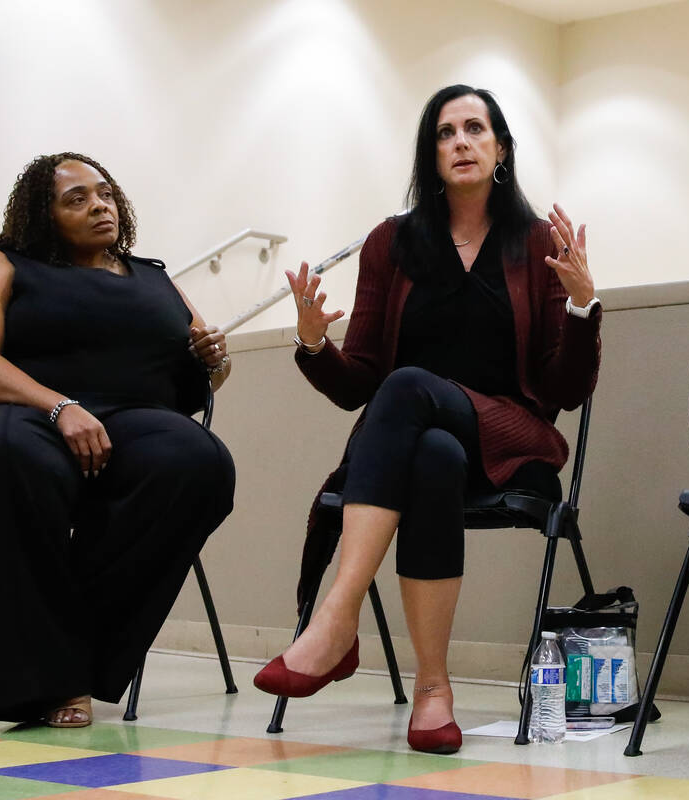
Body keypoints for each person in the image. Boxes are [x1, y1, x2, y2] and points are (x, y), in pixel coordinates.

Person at [252, 84, 601, 755]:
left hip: (510, 437)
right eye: (445, 132)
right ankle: (434, 691)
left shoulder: (535, 243)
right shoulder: (393, 243)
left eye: (476, 129)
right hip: (414, 446)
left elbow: (565, 386)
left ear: (500, 148)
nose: (461, 142)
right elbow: (357, 387)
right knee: (432, 454)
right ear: (430, 152)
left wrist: (584, 307)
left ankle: (336, 617)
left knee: (410, 386)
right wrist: (312, 342)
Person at [0, 153, 236, 727]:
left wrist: (214, 360)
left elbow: (198, 378)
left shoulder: (155, 277)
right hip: (12, 413)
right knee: (4, 455)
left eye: (106, 194)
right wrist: (60, 405)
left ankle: (75, 661)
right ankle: (41, 680)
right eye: (77, 199)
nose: (99, 206)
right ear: (44, 216)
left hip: (129, 422)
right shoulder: (7, 264)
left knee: (198, 460)